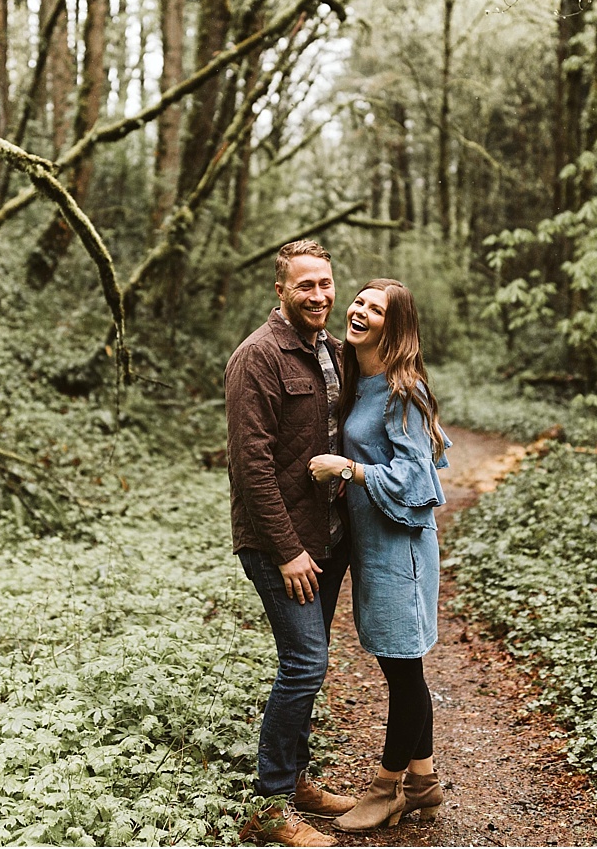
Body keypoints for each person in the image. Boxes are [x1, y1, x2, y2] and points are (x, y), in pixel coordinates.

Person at [227, 240, 357, 848]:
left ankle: (298, 780)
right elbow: (250, 467)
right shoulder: (258, 357)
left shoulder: (332, 351)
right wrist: (285, 551)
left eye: (325, 284)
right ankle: (272, 802)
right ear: (280, 290)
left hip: (327, 539)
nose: (319, 296)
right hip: (281, 544)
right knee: (304, 664)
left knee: (310, 664)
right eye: (305, 286)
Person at [308, 279, 449, 832]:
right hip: (372, 544)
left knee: (403, 671)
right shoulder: (359, 381)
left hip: (402, 548)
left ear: (395, 327)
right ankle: (424, 783)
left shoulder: (402, 391)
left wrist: (349, 469)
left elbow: (419, 478)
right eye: (359, 301)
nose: (360, 311)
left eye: (376, 308)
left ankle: (386, 790)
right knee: (401, 667)